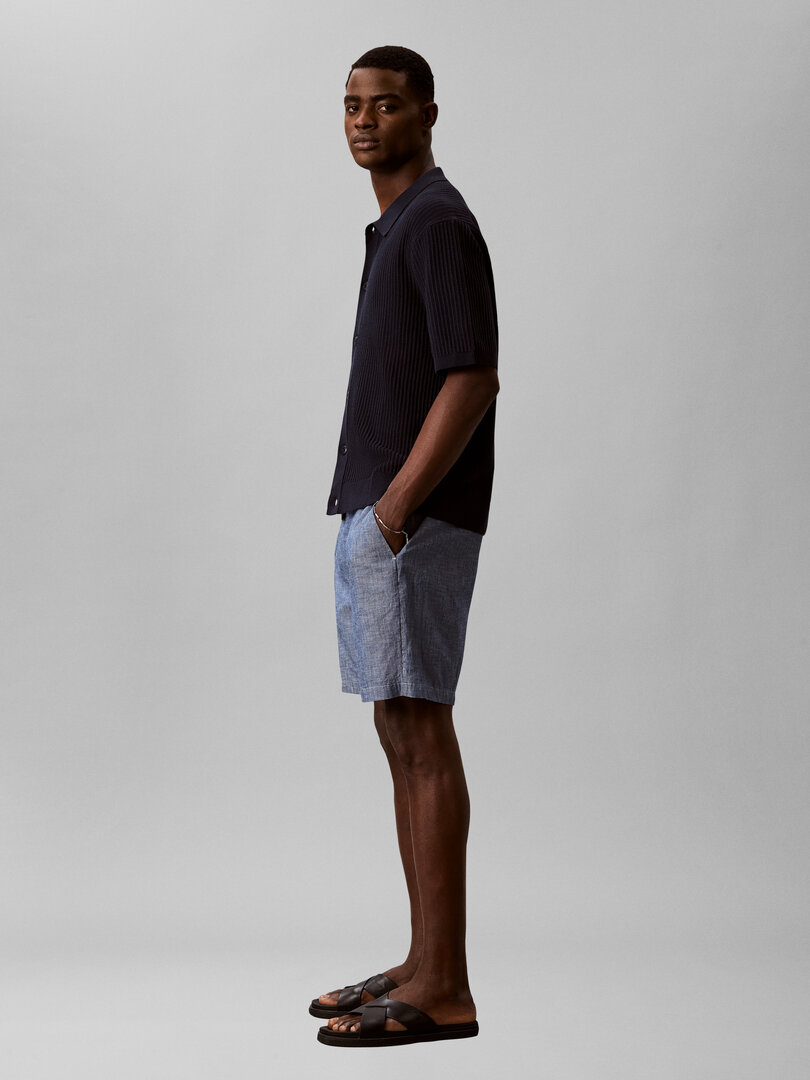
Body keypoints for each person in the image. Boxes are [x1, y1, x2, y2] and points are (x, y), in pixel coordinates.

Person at [312, 45, 500, 1048]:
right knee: (401, 732)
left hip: (410, 524)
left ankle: (445, 988)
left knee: (422, 736)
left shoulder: (435, 221)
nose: (363, 120)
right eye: (351, 104)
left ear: (427, 113)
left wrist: (393, 511)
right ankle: (424, 963)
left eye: (385, 105)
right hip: (385, 518)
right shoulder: (399, 225)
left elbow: (473, 378)